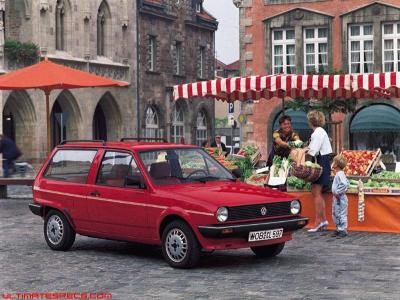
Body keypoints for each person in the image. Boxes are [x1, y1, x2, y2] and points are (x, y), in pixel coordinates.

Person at [306, 111, 333, 233]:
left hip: (320, 162)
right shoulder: (322, 131)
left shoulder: (317, 133)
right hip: (324, 161)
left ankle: (318, 221)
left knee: (316, 192)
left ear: (310, 121)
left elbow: (312, 151)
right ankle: (323, 221)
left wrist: (301, 154)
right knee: (318, 192)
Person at [331, 155, 350, 238]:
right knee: (336, 213)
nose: (332, 163)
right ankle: (339, 228)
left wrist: (338, 192)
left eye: (333, 162)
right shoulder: (339, 174)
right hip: (337, 198)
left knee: (341, 213)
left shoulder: (340, 174)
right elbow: (347, 182)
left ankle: (342, 229)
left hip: (340, 198)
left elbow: (344, 184)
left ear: (337, 165)